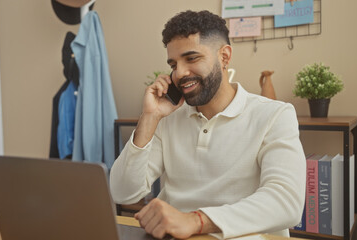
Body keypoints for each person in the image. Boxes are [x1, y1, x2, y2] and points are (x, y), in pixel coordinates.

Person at [110, 10, 306, 239]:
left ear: (224, 57)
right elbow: (122, 192)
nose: (180, 73)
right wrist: (149, 118)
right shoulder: (168, 118)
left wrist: (196, 221)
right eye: (173, 64)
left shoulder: (275, 115)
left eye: (191, 58)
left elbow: (286, 202)